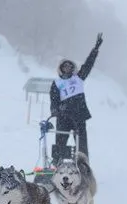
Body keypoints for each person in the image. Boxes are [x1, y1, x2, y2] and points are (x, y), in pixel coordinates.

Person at [49, 33, 103, 166]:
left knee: (82, 143)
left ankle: (83, 165)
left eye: (69, 66)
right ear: (61, 69)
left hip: (79, 115)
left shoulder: (78, 78)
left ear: (73, 68)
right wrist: (55, 110)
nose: (67, 68)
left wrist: (95, 50)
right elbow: (53, 100)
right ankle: (57, 164)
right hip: (63, 117)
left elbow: (88, 64)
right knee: (60, 142)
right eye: (65, 67)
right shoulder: (57, 83)